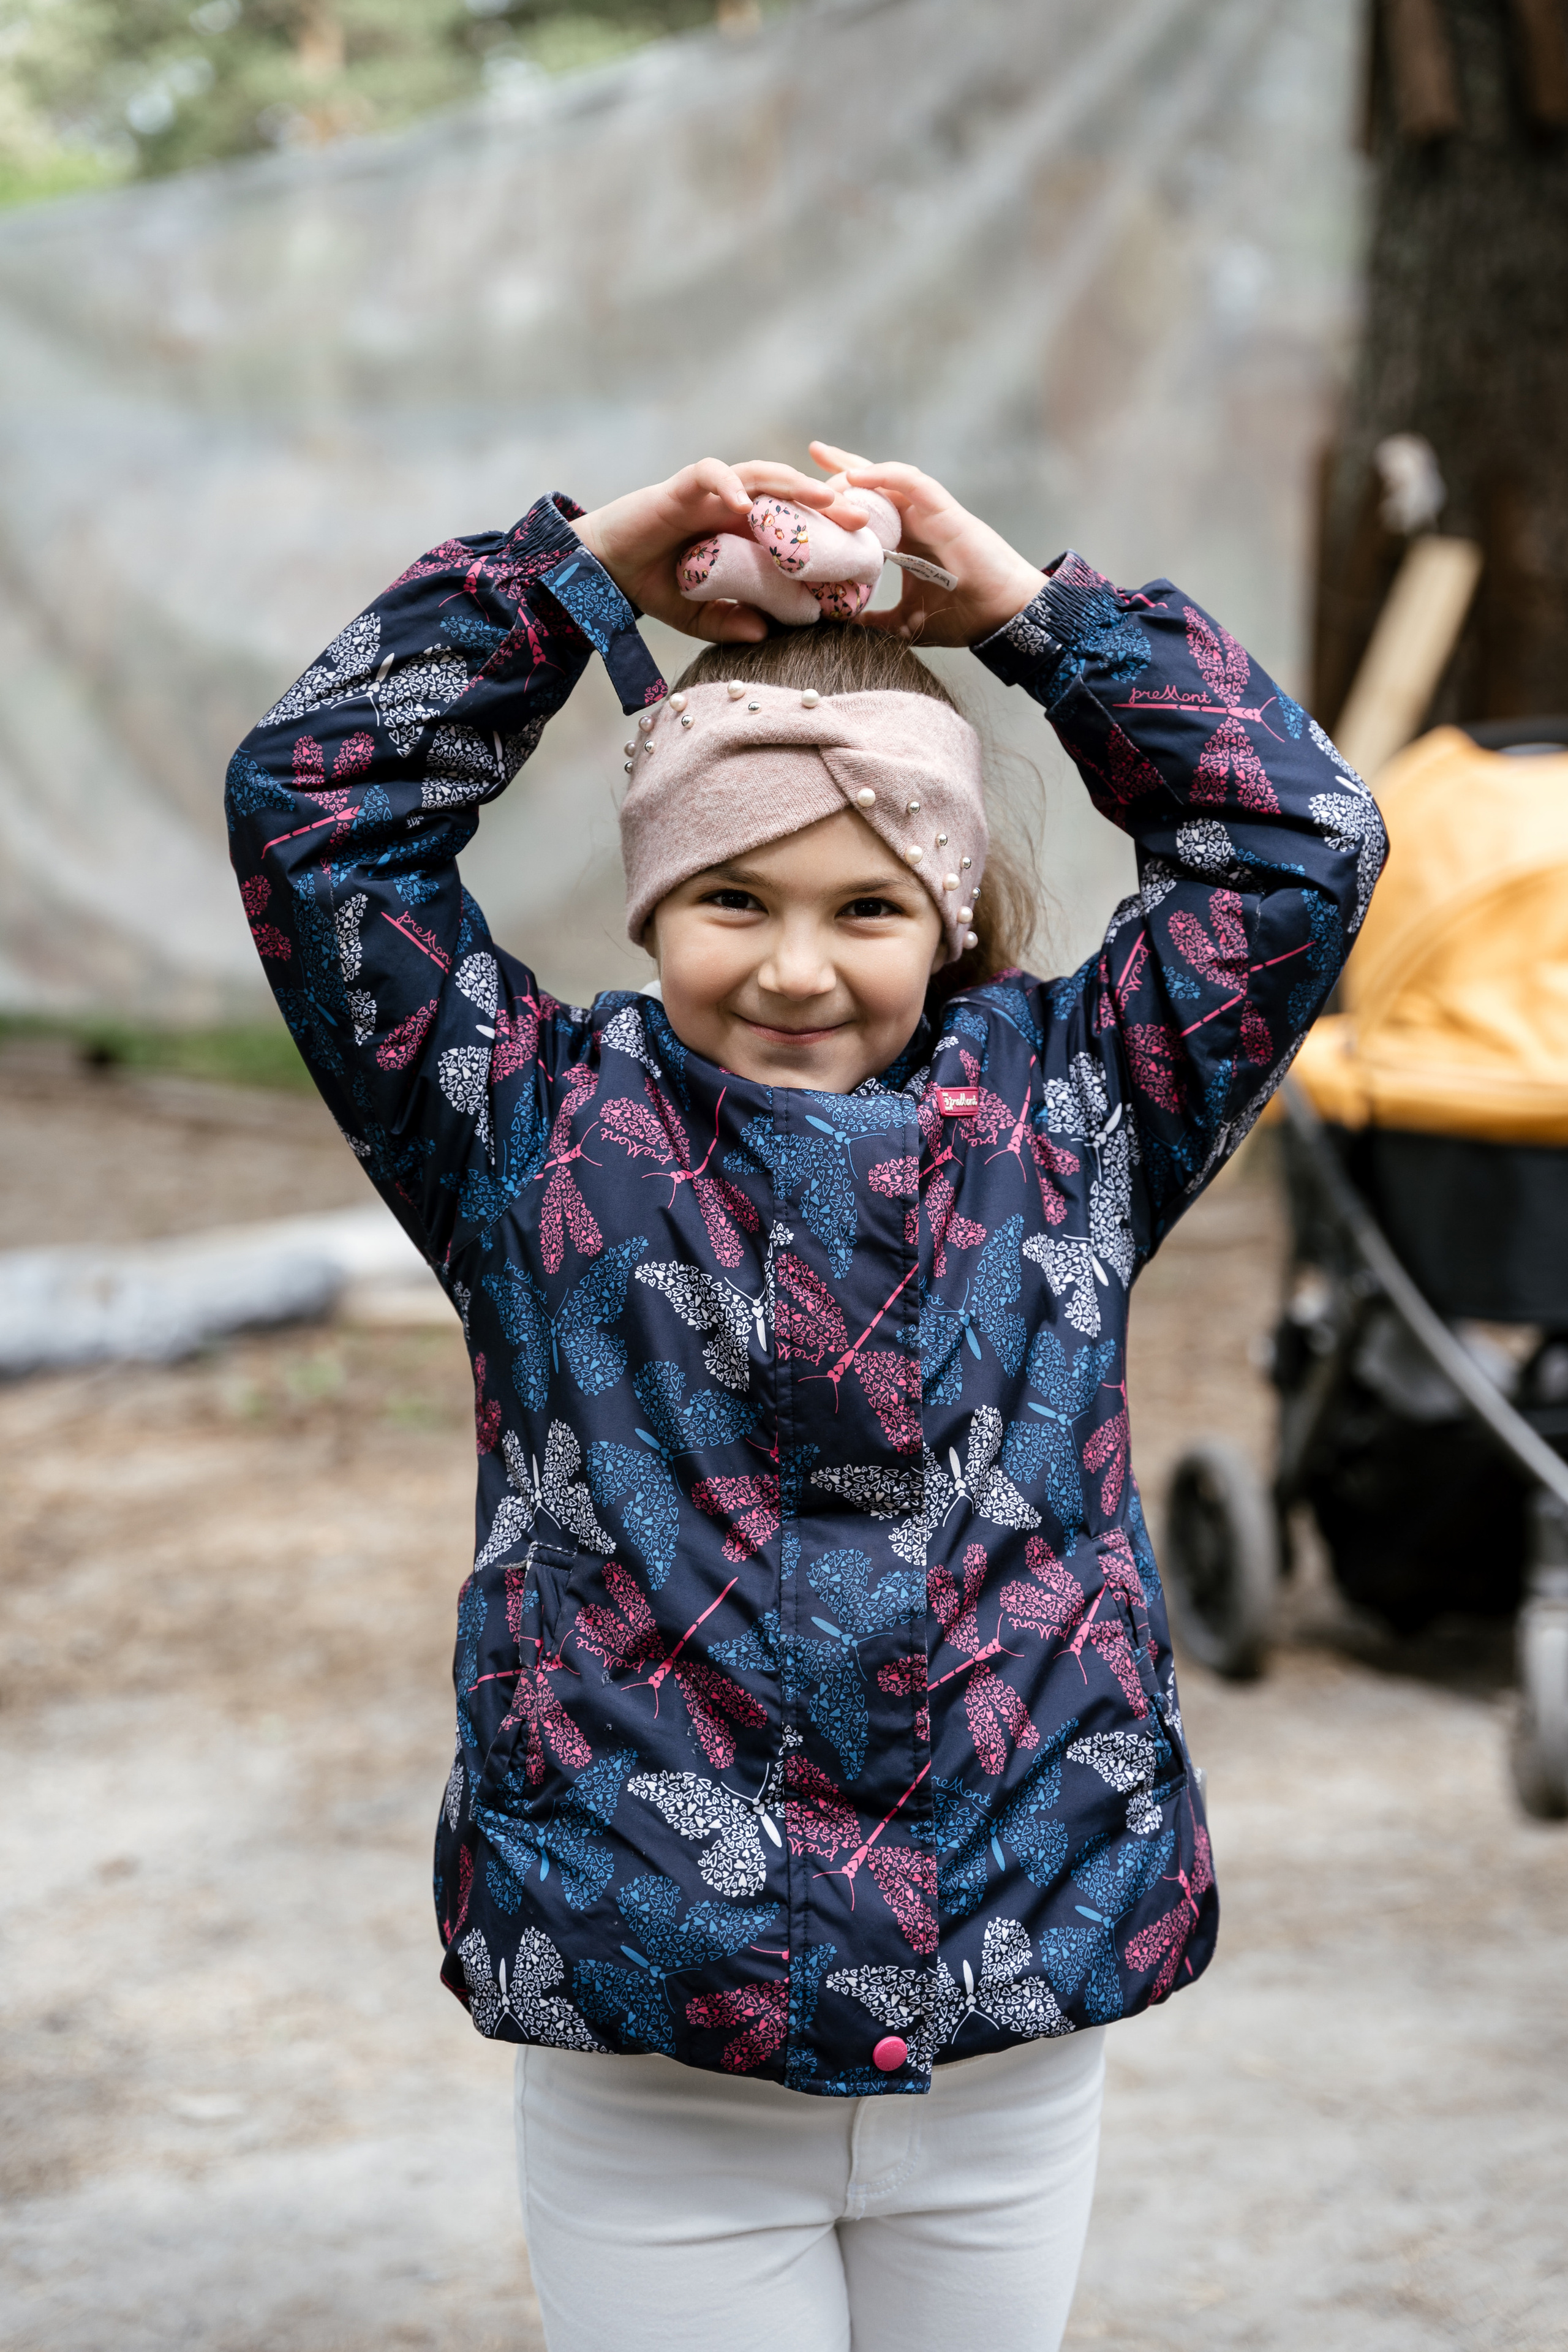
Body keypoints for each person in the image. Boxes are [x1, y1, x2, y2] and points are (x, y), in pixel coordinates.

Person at [226, 447, 1384, 2352]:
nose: (792, 968)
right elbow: (316, 810)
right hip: (655, 2055)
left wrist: (1030, 618)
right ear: (648, 905)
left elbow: (1298, 843)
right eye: (729, 895)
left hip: (1006, 2036)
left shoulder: (1078, 1107)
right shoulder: (518, 1123)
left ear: (950, 916)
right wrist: (573, 579)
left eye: (866, 907)